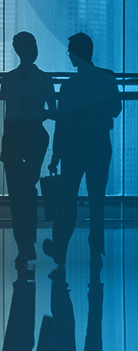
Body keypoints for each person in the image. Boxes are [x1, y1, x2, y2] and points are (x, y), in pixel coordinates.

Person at [43, 32, 121, 276]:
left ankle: (61, 249)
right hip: (98, 144)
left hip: (74, 147)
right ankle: (95, 251)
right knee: (97, 199)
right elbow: (116, 109)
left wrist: (56, 155)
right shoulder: (106, 79)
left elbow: (62, 123)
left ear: (77, 53)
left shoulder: (69, 85)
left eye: (70, 51)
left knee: (67, 200)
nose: (68, 55)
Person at [0, 32, 55, 271]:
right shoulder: (9, 78)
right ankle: (24, 244)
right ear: (21, 50)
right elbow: (7, 114)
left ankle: (26, 243)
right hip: (15, 135)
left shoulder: (43, 78)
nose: (32, 50)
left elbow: (53, 111)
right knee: (18, 192)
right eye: (28, 46)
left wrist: (34, 108)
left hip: (32, 134)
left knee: (25, 189)